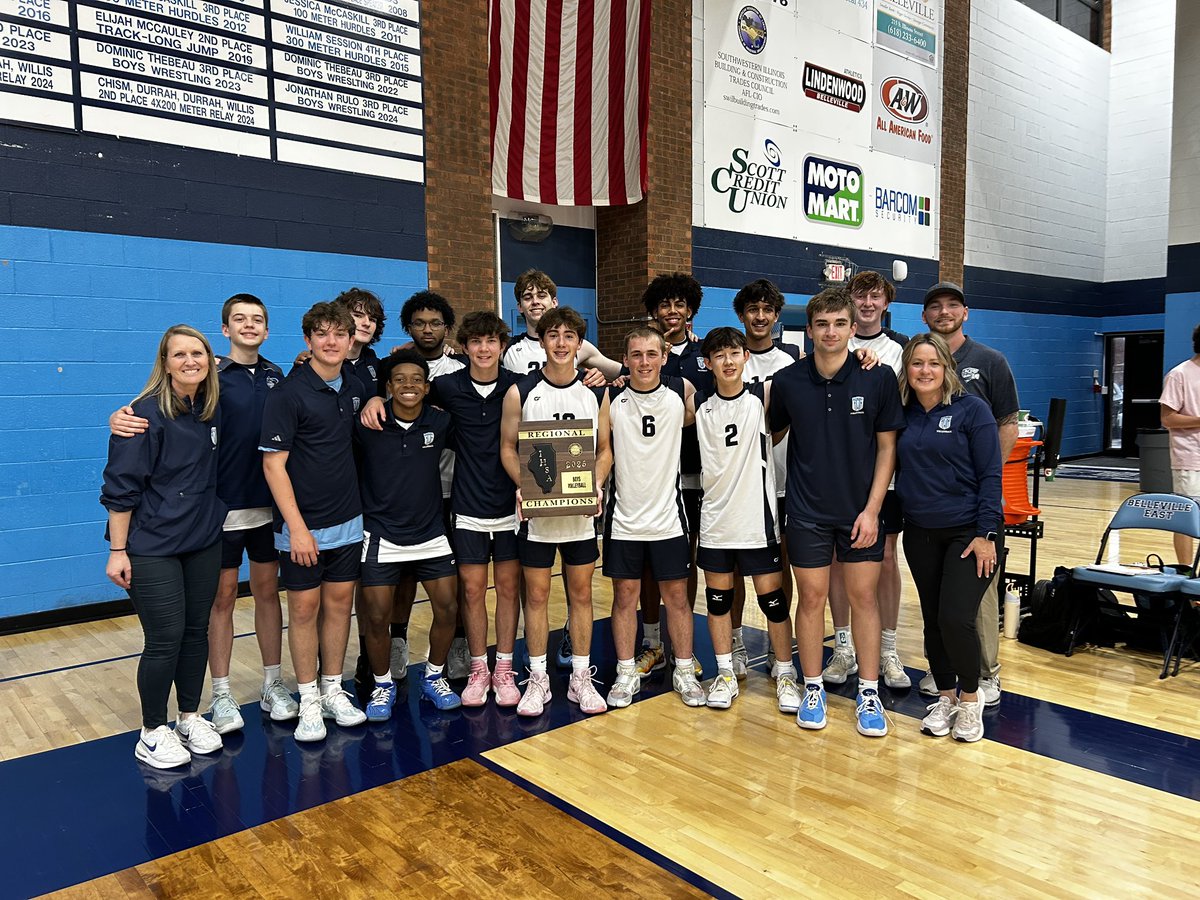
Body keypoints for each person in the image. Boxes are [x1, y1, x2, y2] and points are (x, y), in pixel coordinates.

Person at [107, 295, 299, 734]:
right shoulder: (213, 375)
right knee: (221, 601)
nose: (249, 326)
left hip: (268, 506)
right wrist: (120, 417)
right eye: (239, 320)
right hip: (218, 512)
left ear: (268, 330)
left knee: (268, 594)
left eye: (258, 320)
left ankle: (272, 684)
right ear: (225, 330)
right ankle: (221, 694)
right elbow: (157, 411)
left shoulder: (278, 376)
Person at [362, 311, 525, 708]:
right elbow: (404, 390)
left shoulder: (521, 386)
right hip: (466, 505)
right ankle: (476, 667)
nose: (484, 349)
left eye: (491, 341)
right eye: (476, 342)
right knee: (469, 592)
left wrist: (607, 378)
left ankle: (503, 668)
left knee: (506, 590)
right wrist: (373, 395)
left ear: (502, 347)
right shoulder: (446, 387)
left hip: (513, 504)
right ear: (464, 348)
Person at [770, 287, 905, 737]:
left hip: (859, 514)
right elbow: (765, 436)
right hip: (807, 512)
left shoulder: (878, 377)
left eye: (839, 324)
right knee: (810, 599)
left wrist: (872, 511)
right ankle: (812, 687)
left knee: (863, 599)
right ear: (808, 330)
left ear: (853, 329)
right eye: (822, 324)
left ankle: (868, 691)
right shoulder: (788, 381)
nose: (831, 332)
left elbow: (888, 449)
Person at [101, 325, 226, 768]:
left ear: (211, 359)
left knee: (196, 632)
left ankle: (189, 717)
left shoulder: (211, 406)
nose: (190, 361)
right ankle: (152, 730)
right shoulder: (142, 415)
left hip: (202, 540)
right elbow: (120, 488)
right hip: (151, 546)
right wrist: (118, 551)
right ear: (165, 362)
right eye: (179, 355)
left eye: (198, 353)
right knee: (165, 637)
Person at [260, 301, 368, 743]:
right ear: (308, 341)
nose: (330, 341)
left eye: (339, 334)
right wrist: (297, 528)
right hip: (302, 528)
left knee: (340, 607)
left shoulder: (356, 386)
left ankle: (332, 689)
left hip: (348, 520)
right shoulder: (287, 393)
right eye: (321, 334)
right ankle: (307, 699)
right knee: (304, 611)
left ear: (350, 340)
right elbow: (273, 467)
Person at [500, 306, 613, 716]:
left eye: (570, 336)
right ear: (542, 341)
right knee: (537, 595)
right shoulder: (522, 390)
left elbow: (604, 451)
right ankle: (539, 680)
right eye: (554, 335)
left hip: (580, 514)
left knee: (581, 594)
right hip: (537, 516)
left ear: (579, 343)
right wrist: (524, 487)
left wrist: (597, 483)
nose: (562, 343)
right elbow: (508, 448)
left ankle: (581, 677)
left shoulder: (595, 391)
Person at [895, 333, 1002, 743]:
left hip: (969, 533)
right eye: (917, 363)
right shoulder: (902, 412)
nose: (925, 371)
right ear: (908, 369)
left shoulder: (971, 410)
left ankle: (971, 701)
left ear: (947, 369)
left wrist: (986, 534)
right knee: (933, 620)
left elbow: (991, 474)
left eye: (933, 363)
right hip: (920, 532)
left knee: (956, 617)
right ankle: (944, 698)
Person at [688, 327, 800, 713]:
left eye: (734, 353)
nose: (728, 361)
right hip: (717, 522)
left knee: (773, 602)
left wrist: (859, 356)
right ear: (708, 363)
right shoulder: (698, 405)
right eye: (719, 355)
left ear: (745, 356)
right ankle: (724, 673)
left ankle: (785, 673)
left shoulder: (763, 397)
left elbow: (811, 369)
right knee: (718, 602)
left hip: (758, 521)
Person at [919, 282, 1019, 707]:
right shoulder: (916, 360)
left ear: (966, 313)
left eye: (952, 306)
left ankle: (984, 674)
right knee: (940, 602)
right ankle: (944, 672)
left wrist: (983, 482)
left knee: (976, 597)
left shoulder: (990, 361)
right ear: (925, 317)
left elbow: (1008, 424)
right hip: (930, 511)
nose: (944, 312)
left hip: (975, 504)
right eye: (936, 307)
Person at [355, 350, 461, 719]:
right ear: (387, 387)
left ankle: (433, 676)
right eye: (399, 379)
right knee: (377, 616)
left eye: (417, 379)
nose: (408, 385)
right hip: (382, 534)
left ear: (427, 386)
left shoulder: (440, 421)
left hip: (431, 531)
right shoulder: (368, 423)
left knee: (448, 607)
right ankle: (383, 683)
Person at [604, 326, 706, 709]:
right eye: (636, 354)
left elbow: (729, 394)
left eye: (652, 354)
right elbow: (599, 449)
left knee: (678, 598)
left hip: (669, 519)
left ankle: (682, 668)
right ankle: (627, 670)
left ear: (664, 357)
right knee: (624, 598)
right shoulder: (611, 399)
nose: (644, 361)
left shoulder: (681, 394)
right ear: (626, 360)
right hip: (623, 519)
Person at [826, 271, 912, 690]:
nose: (866, 303)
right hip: (838, 475)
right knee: (841, 563)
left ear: (886, 303)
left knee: (885, 558)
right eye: (859, 296)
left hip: (884, 476)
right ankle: (844, 647)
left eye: (875, 296)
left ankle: (888, 648)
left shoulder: (898, 351)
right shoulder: (831, 343)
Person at [384, 291, 468, 684]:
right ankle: (397, 641)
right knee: (404, 578)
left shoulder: (460, 367)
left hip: (453, 490)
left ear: (446, 327)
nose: (428, 329)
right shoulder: (391, 367)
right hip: (404, 492)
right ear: (408, 327)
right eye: (420, 322)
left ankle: (459, 644)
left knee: (458, 579)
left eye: (436, 322)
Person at [637, 273, 705, 678]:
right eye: (664, 305)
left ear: (690, 309)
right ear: (654, 310)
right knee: (647, 564)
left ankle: (686, 643)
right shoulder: (641, 355)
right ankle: (651, 642)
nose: (672, 311)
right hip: (648, 478)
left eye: (680, 304)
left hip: (694, 476)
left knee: (686, 562)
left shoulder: (704, 355)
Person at [1159, 324, 1200, 567]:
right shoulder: (1180, 374)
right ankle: (1186, 574)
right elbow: (1168, 418)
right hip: (1191, 458)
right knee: (1187, 519)